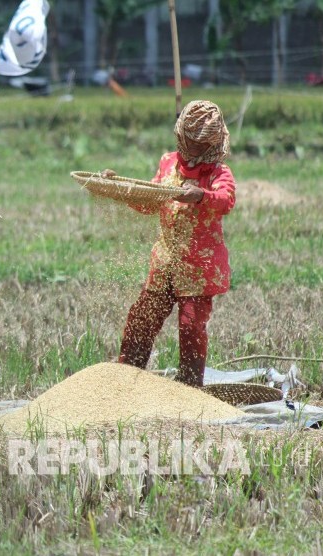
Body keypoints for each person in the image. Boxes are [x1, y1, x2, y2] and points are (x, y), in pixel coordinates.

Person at [110, 100, 236, 388]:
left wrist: (200, 195)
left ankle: (190, 388)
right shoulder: (168, 163)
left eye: (198, 142)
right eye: (189, 140)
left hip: (198, 268)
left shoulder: (218, 172)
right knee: (142, 318)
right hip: (165, 263)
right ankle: (124, 381)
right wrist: (121, 190)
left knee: (191, 326)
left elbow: (226, 200)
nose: (191, 147)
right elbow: (152, 201)